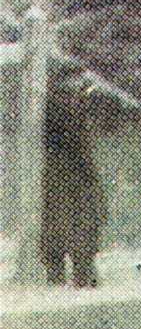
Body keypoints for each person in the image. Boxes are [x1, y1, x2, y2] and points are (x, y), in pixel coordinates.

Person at [37, 68, 108, 287]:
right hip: (72, 178)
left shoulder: (51, 104)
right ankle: (81, 278)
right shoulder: (65, 108)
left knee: (58, 234)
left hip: (57, 177)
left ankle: (64, 277)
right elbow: (79, 145)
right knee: (79, 231)